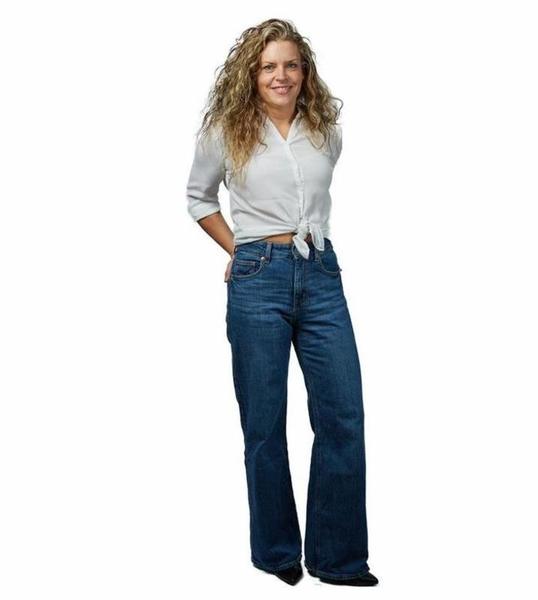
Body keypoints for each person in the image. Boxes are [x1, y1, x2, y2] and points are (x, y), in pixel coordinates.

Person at [185, 18, 379, 587]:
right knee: (265, 423)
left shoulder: (325, 130)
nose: (281, 75)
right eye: (269, 66)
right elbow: (198, 198)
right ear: (252, 73)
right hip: (258, 277)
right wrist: (238, 248)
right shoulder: (226, 129)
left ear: (304, 72)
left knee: (343, 416)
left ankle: (338, 559)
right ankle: (277, 554)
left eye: (291, 64)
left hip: (321, 273)